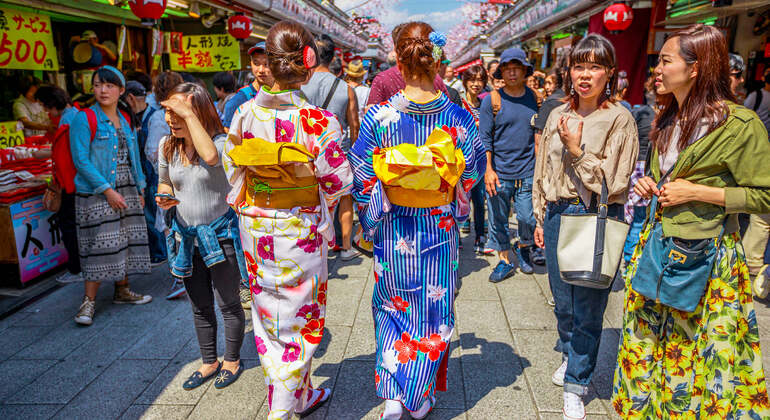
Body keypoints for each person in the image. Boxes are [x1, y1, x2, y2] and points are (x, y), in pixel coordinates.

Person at [612, 24, 770, 419]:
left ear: (696, 67)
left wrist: (698, 193)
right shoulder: (668, 117)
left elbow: (764, 194)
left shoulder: (740, 125)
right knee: (647, 343)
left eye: (665, 61)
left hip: (709, 257)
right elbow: (666, 176)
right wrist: (651, 183)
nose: (657, 70)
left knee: (698, 353)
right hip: (658, 248)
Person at [349, 22, 485, 420]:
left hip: (393, 227)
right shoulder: (459, 117)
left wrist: (372, 213)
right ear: (436, 58)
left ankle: (393, 392)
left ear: (398, 57)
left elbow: (361, 175)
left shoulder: (378, 117)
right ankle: (418, 394)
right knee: (433, 310)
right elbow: (472, 173)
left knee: (391, 305)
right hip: (438, 228)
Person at [222, 20, 353, 418]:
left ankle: (299, 393)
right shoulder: (318, 122)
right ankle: (283, 405)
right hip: (301, 230)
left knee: (268, 317)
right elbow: (335, 182)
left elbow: (233, 171)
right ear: (306, 63)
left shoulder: (243, 114)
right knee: (303, 317)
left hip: (257, 225)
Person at [532, 34, 638, 420]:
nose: (585, 74)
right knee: (562, 303)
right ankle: (568, 352)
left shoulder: (619, 118)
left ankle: (577, 383)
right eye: (579, 65)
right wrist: (541, 213)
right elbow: (542, 167)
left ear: (609, 73)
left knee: (590, 307)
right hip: (560, 215)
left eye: (595, 66)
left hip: (596, 216)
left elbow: (617, 181)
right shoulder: (557, 112)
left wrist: (578, 151)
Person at [155, 82, 246, 390]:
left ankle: (232, 359)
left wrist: (190, 117)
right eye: (169, 113)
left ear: (199, 111)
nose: (171, 120)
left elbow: (210, 158)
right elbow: (165, 181)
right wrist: (164, 195)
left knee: (228, 302)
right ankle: (209, 361)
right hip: (185, 237)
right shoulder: (167, 145)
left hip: (220, 235)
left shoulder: (221, 142)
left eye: (179, 113)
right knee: (199, 305)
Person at [68, 66, 153, 326]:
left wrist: (140, 187)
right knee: (96, 245)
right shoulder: (84, 119)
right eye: (98, 85)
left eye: (109, 85)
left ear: (121, 90)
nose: (103, 90)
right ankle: (88, 302)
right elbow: (81, 161)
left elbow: (134, 157)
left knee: (124, 239)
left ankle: (122, 290)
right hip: (97, 191)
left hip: (126, 186)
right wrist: (107, 190)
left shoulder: (124, 119)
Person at [480, 47, 540, 281]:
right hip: (499, 172)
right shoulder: (491, 101)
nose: (512, 73)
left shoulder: (535, 98)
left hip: (527, 171)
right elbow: (485, 138)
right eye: (507, 69)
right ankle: (504, 260)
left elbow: (539, 134)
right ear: (501, 72)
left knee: (527, 217)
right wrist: (488, 169)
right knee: (498, 219)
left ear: (525, 70)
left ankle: (524, 248)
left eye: (517, 68)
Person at [302, 34, 361, 261]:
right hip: (338, 153)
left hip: (306, 153)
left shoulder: (299, 85)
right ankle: (346, 247)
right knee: (345, 199)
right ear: (333, 56)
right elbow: (354, 126)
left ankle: (316, 247)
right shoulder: (345, 88)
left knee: (311, 200)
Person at [35, 86, 81, 283]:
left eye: (46, 107)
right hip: (74, 180)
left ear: (53, 104)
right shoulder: (75, 115)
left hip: (71, 182)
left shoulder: (69, 120)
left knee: (69, 225)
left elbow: (70, 154)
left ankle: (76, 269)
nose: (47, 112)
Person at [124, 81, 170, 268]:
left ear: (130, 98)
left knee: (154, 216)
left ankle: (161, 253)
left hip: (154, 175)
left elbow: (152, 150)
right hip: (145, 175)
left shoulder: (153, 117)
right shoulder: (136, 117)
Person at [366, 23, 448, 106]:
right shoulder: (456, 116)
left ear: (398, 62)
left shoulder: (382, 80)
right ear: (437, 64)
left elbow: (371, 109)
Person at [622, 76, 657, 264]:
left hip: (636, 166)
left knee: (634, 218)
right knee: (639, 219)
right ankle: (631, 260)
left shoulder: (640, 112)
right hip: (646, 168)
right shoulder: (657, 115)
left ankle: (629, 258)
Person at [460, 64, 492, 254]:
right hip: (462, 160)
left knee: (480, 201)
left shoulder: (486, 105)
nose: (476, 84)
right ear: (465, 82)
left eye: (480, 80)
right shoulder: (458, 103)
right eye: (472, 80)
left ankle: (480, 236)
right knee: (460, 198)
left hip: (480, 160)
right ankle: (456, 236)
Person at [222, 41, 274, 129]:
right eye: (256, 63)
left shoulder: (285, 95)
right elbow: (229, 137)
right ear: (251, 64)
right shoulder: (238, 101)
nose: (261, 70)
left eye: (267, 64)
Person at [744, 67, 770, 133]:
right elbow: (745, 113)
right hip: (757, 133)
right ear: (763, 78)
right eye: (768, 72)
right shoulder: (755, 95)